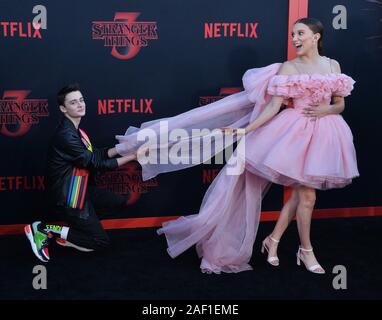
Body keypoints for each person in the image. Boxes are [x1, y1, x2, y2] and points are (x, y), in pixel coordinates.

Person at [115, 18, 359, 274]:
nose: (295, 39)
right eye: (292, 34)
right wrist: (245, 130)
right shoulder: (289, 68)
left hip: (326, 133)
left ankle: (273, 240)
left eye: (300, 33)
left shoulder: (332, 65)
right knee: (307, 195)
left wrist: (326, 109)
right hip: (294, 134)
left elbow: (340, 104)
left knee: (304, 194)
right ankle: (306, 250)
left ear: (316, 36)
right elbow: (274, 108)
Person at [24, 83, 136, 262]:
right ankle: (44, 229)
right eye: (73, 102)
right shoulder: (66, 135)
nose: (80, 104)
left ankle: (76, 231)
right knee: (100, 241)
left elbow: (96, 154)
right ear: (63, 108)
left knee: (119, 201)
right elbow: (95, 163)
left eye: (81, 100)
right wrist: (133, 155)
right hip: (68, 195)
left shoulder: (76, 131)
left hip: (80, 188)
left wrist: (123, 148)